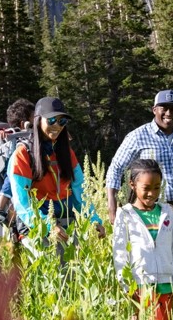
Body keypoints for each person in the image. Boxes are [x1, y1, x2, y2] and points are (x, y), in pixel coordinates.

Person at [105, 89, 173, 257]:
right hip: (155, 208)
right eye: (164, 108)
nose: (168, 113)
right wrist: (112, 207)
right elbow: (116, 168)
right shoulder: (138, 136)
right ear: (154, 110)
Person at [6, 96, 104, 248]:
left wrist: (94, 220)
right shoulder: (22, 154)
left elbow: (80, 191)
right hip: (35, 227)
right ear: (38, 120)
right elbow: (22, 203)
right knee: (49, 270)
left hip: (66, 222)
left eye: (62, 121)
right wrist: (49, 226)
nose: (57, 126)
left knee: (70, 270)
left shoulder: (66, 153)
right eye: (51, 120)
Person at [112, 158, 173, 320]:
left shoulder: (167, 212)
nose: (152, 193)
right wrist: (128, 288)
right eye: (146, 188)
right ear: (132, 184)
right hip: (141, 288)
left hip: (167, 286)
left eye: (157, 187)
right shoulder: (125, 215)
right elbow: (120, 256)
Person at [0, 98, 35, 226]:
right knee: (9, 185)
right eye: (34, 117)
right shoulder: (15, 132)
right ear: (24, 123)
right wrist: (2, 132)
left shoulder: (34, 133)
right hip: (14, 167)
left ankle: (14, 218)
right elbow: (5, 132)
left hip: (28, 166)